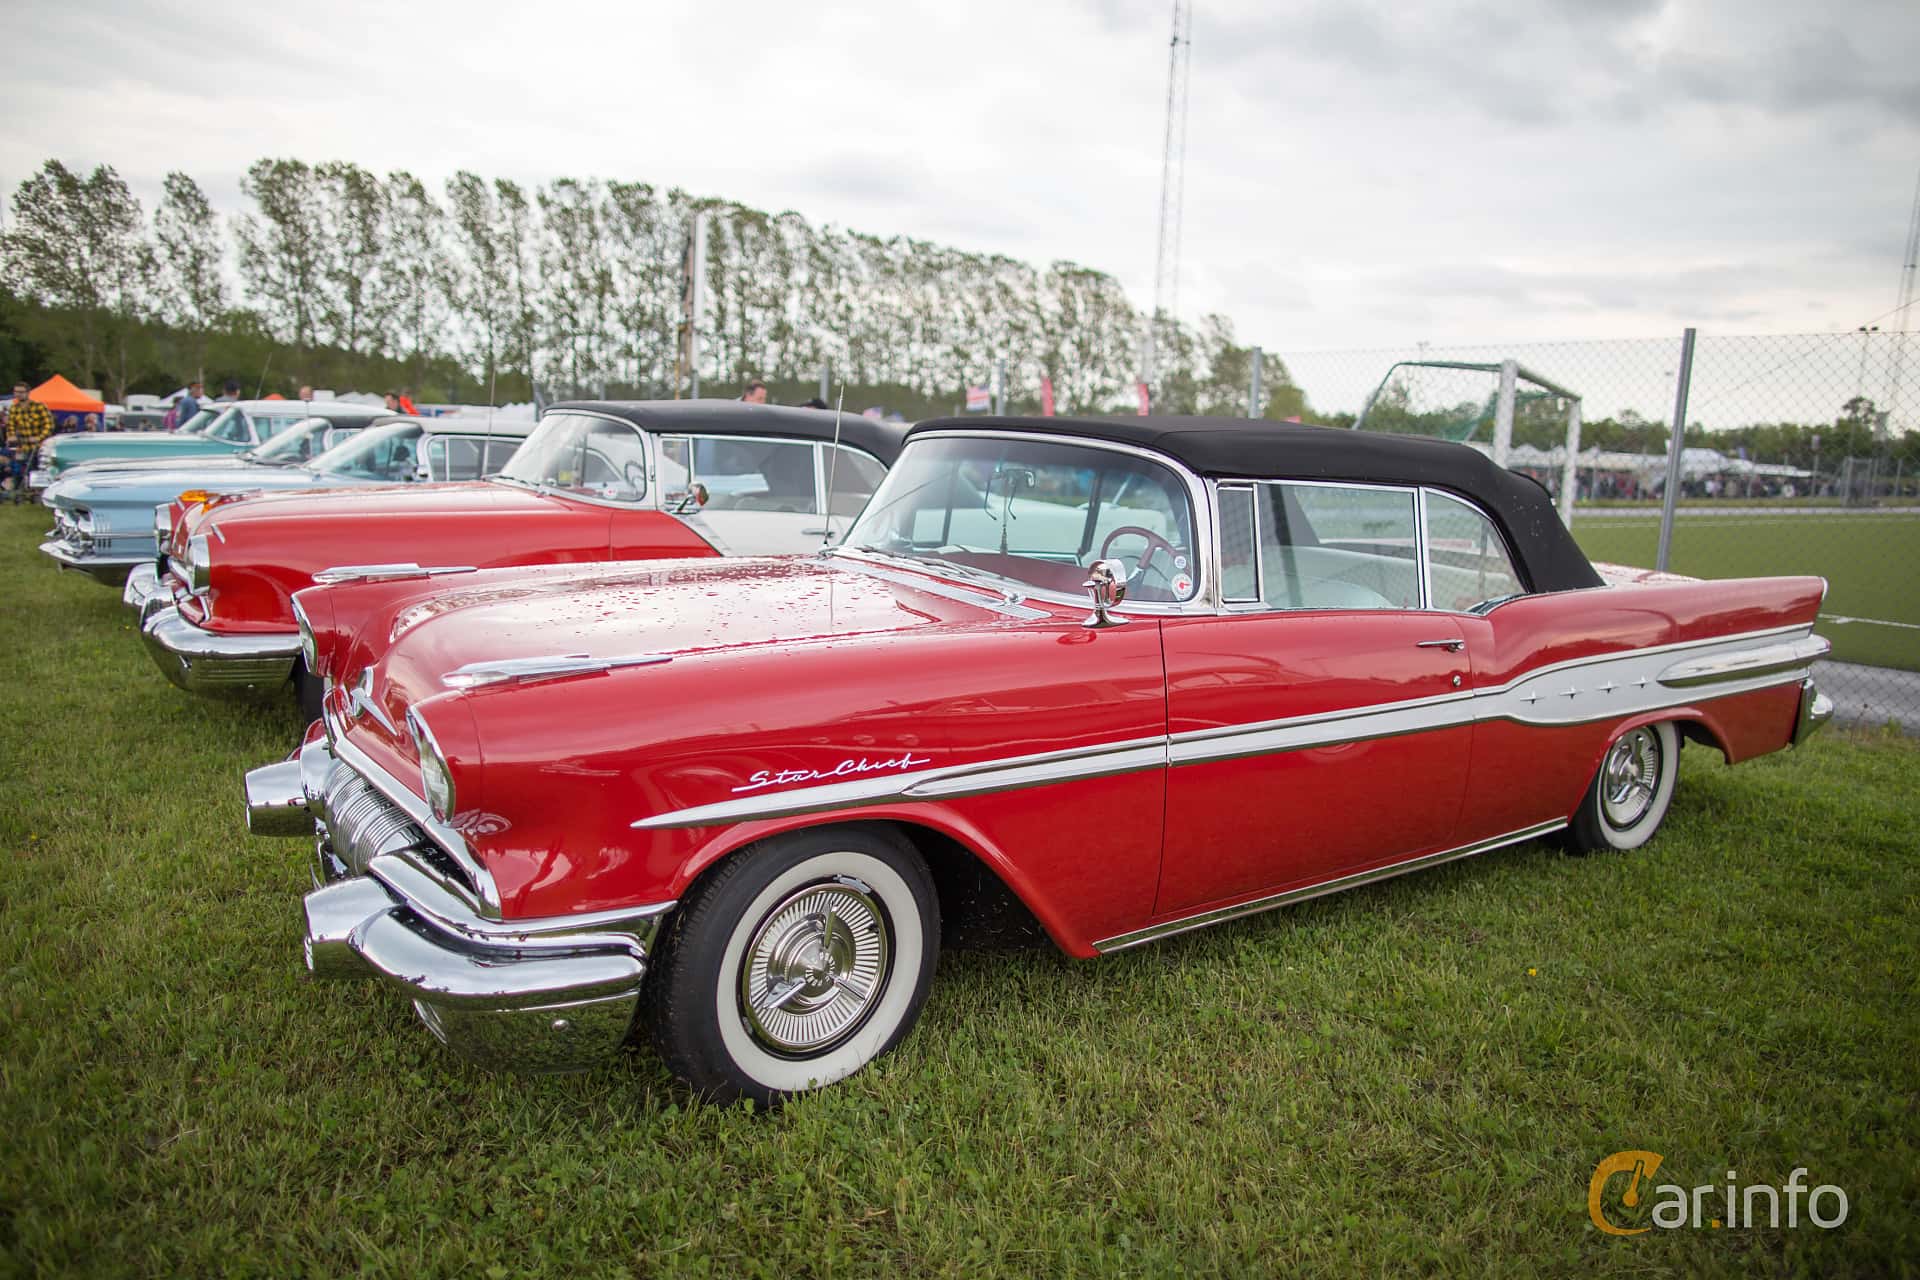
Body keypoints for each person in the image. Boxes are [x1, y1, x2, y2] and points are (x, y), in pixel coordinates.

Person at [2, 381, 55, 503]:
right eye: (16, 392)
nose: (18, 394)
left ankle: (37, 493)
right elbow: (10, 426)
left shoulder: (38, 407)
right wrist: (11, 436)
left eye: (21, 392)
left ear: (28, 393)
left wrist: (39, 437)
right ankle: (19, 491)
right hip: (22, 446)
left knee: (37, 469)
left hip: (39, 446)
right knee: (19, 469)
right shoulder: (14, 409)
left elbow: (49, 425)